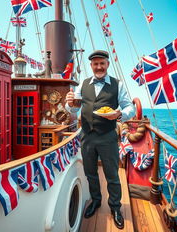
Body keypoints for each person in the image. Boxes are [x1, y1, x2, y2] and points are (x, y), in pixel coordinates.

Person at [65, 50, 135, 229]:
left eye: (102, 63)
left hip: (108, 137)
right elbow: (72, 109)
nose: (98, 67)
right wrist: (70, 103)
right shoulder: (84, 84)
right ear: (91, 66)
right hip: (87, 136)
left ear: (107, 64)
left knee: (112, 175)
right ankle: (96, 201)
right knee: (90, 173)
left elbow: (130, 108)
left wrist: (119, 114)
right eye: (95, 64)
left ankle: (115, 208)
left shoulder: (117, 85)